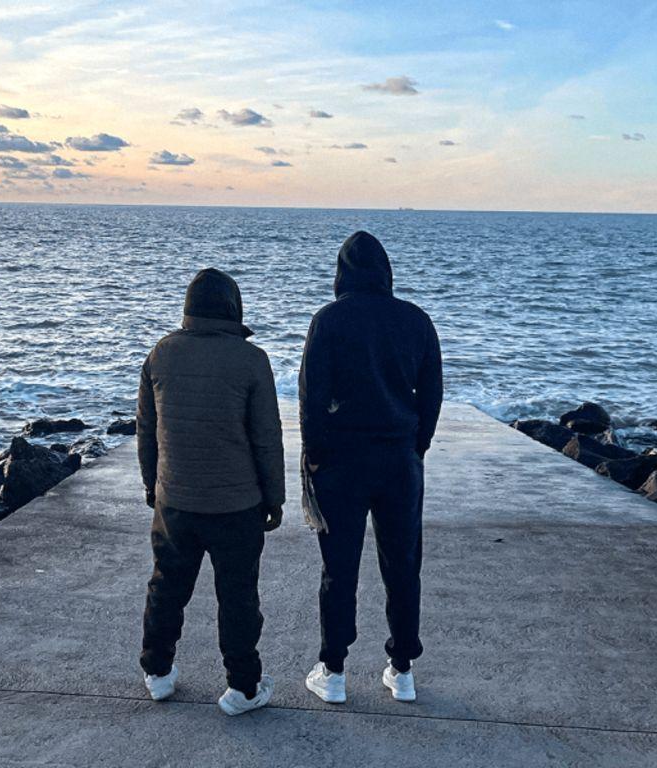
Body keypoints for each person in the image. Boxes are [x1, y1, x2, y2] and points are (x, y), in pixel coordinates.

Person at [299, 231, 443, 704]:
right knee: (403, 565)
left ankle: (334, 671)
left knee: (338, 569)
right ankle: (402, 671)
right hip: (400, 461)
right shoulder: (416, 321)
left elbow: (311, 398)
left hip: (341, 462)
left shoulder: (329, 320)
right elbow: (432, 395)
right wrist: (415, 446)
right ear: (386, 272)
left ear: (341, 274)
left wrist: (316, 452)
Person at [137, 267, 285, 716]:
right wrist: (273, 498)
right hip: (237, 505)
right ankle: (242, 689)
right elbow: (266, 437)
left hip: (175, 501)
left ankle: (158, 673)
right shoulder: (251, 360)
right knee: (238, 598)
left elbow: (148, 431)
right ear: (233, 308)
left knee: (167, 587)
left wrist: (152, 485)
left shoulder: (160, 354)